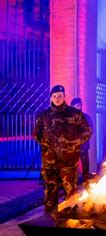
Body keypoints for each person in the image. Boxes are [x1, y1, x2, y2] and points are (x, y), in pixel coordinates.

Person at [33, 85, 92, 213]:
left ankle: (70, 218)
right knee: (50, 189)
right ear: (51, 98)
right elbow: (36, 134)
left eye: (60, 96)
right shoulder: (43, 115)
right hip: (50, 160)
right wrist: (46, 144)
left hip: (69, 159)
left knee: (70, 189)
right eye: (54, 96)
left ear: (64, 96)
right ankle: (50, 217)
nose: (57, 98)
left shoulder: (76, 114)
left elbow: (87, 131)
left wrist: (74, 142)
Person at [71, 97, 94, 182]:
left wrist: (84, 139)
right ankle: (73, 182)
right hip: (73, 146)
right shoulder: (69, 118)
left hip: (83, 145)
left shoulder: (86, 117)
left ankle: (86, 180)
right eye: (77, 105)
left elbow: (91, 129)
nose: (79, 106)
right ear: (73, 106)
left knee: (85, 164)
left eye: (80, 105)